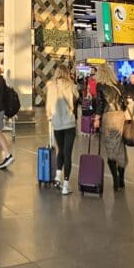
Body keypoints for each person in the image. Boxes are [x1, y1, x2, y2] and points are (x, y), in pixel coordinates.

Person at [93, 62, 128, 191]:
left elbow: (101, 104)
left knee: (110, 149)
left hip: (108, 118)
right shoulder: (118, 85)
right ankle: (122, 179)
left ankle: (115, 181)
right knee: (120, 147)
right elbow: (124, 104)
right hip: (120, 116)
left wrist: (97, 118)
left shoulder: (100, 85)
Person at [46, 65, 79, 195]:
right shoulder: (71, 85)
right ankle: (65, 185)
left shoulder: (51, 86)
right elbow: (76, 99)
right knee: (68, 153)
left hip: (57, 124)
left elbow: (48, 105)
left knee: (61, 150)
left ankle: (57, 177)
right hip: (69, 123)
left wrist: (50, 116)